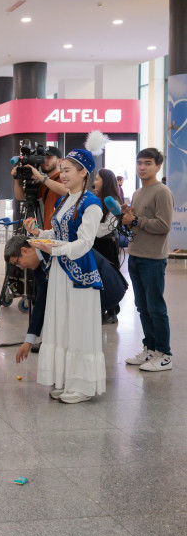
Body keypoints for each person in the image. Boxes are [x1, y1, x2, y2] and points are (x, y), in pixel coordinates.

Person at [20, 136, 107, 403]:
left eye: (68, 170)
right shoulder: (65, 200)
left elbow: (84, 243)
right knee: (62, 324)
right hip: (60, 269)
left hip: (79, 273)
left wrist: (54, 249)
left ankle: (81, 385)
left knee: (78, 326)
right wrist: (38, 232)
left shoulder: (91, 203)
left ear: (84, 173)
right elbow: (57, 232)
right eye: (63, 169)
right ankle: (66, 378)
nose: (63, 174)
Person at [5, 234, 126, 366]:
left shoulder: (52, 249)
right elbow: (42, 301)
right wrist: (29, 340)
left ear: (25, 250)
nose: (21, 267)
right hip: (88, 290)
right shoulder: (39, 262)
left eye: (17, 263)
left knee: (77, 329)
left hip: (107, 286)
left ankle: (82, 371)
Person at [122, 148, 175, 371]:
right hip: (135, 254)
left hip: (153, 258)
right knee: (142, 307)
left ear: (158, 166)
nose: (142, 167)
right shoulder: (138, 192)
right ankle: (150, 349)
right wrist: (127, 217)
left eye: (148, 163)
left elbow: (164, 226)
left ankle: (164, 354)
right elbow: (136, 222)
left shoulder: (162, 192)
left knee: (156, 308)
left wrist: (136, 221)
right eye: (139, 163)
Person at [92, 168, 123, 323]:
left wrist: (88, 230)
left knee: (109, 277)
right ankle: (101, 308)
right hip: (96, 243)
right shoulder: (96, 199)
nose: (94, 182)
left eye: (97, 179)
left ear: (106, 181)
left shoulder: (113, 202)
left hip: (107, 243)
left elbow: (105, 228)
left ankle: (113, 311)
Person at [12, 145, 67, 228]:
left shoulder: (64, 178)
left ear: (59, 161)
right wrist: (16, 178)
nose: (44, 160)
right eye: (42, 157)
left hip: (61, 233)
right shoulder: (44, 182)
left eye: (49, 157)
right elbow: (21, 197)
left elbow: (67, 190)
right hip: (48, 233)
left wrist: (40, 177)